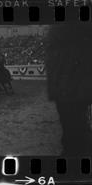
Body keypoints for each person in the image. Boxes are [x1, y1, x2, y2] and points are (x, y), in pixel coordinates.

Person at [46, 24, 92, 156]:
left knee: (73, 127)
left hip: (69, 85)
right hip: (68, 84)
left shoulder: (65, 29)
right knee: (74, 125)